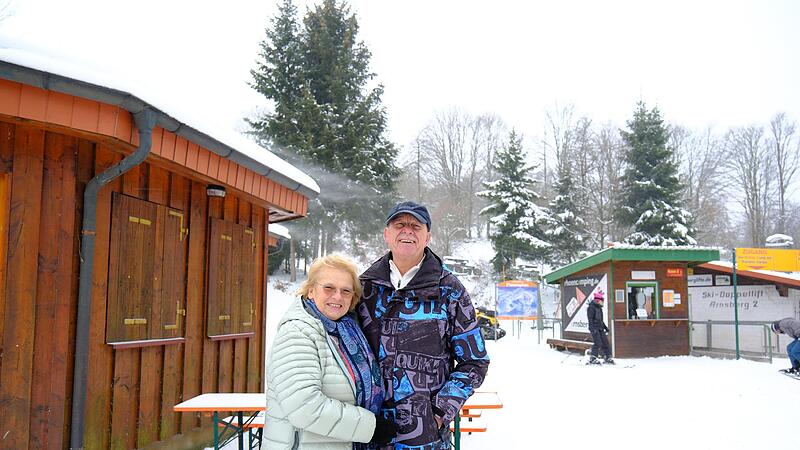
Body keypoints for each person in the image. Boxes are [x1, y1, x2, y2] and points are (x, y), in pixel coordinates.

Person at [357, 201, 490, 449]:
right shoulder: (364, 288)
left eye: (415, 226)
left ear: (427, 236)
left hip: (425, 438)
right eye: (399, 224)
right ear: (387, 234)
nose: (407, 230)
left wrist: (439, 411)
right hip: (368, 431)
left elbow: (475, 361)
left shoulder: (449, 290)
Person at [264, 253, 397, 449]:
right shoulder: (298, 332)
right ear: (310, 290)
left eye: (346, 291)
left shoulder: (347, 330)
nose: (337, 296)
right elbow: (305, 407)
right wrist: (371, 427)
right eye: (329, 288)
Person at [587, 291, 614, 364]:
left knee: (605, 342)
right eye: (602, 301)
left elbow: (601, 320)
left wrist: (605, 328)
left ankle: (607, 357)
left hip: (600, 328)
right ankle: (593, 358)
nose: (603, 302)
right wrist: (592, 329)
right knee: (598, 343)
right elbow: (590, 319)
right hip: (594, 328)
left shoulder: (599, 308)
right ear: (598, 300)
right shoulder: (591, 308)